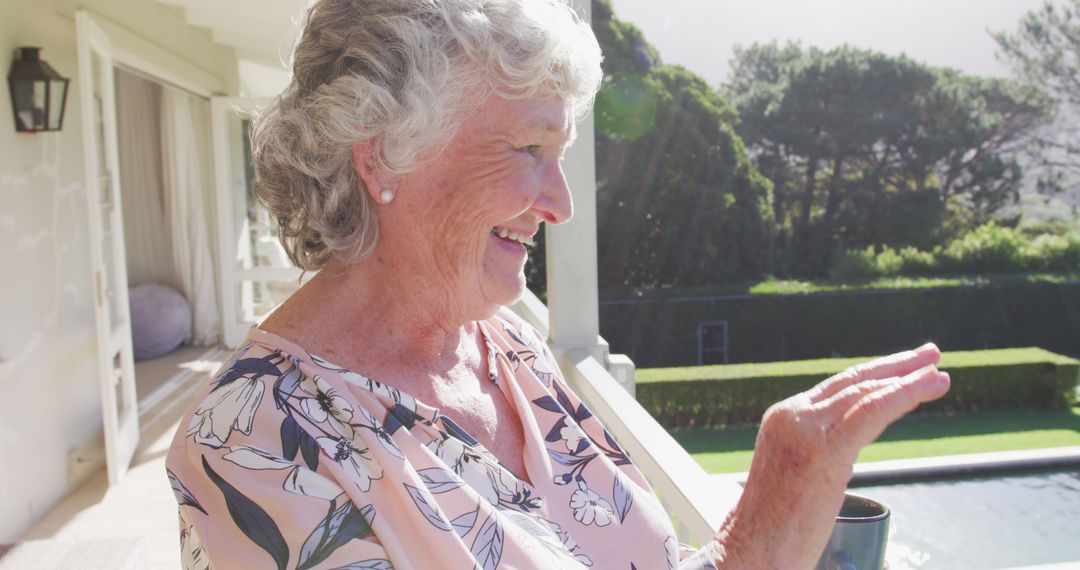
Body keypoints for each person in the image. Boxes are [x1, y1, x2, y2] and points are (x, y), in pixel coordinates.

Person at [165, 0, 951, 567]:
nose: (561, 204)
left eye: (562, 154)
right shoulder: (254, 445)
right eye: (527, 150)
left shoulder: (506, 347)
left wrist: (773, 508)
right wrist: (757, 548)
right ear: (382, 156)